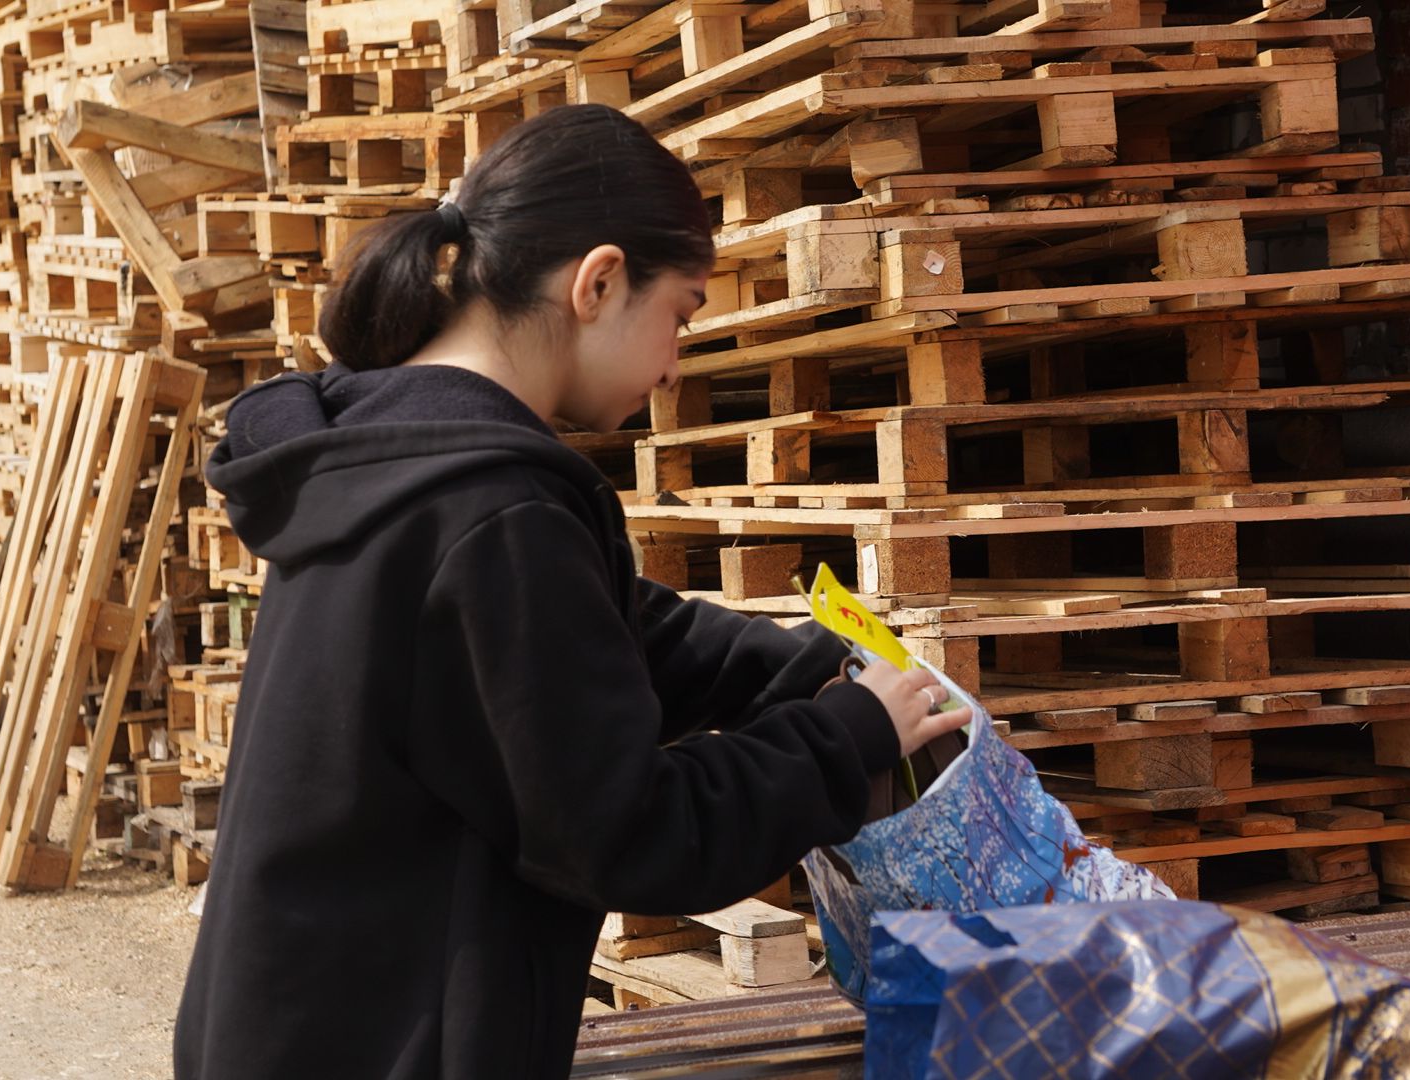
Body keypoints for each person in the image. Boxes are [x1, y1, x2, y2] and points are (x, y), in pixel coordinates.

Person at [173, 104, 971, 1079]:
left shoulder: (389, 461)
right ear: (597, 282)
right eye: (678, 312)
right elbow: (627, 832)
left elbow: (602, 637)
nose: (676, 362)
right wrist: (846, 738)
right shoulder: (493, 514)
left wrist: (810, 666)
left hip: (293, 1028)